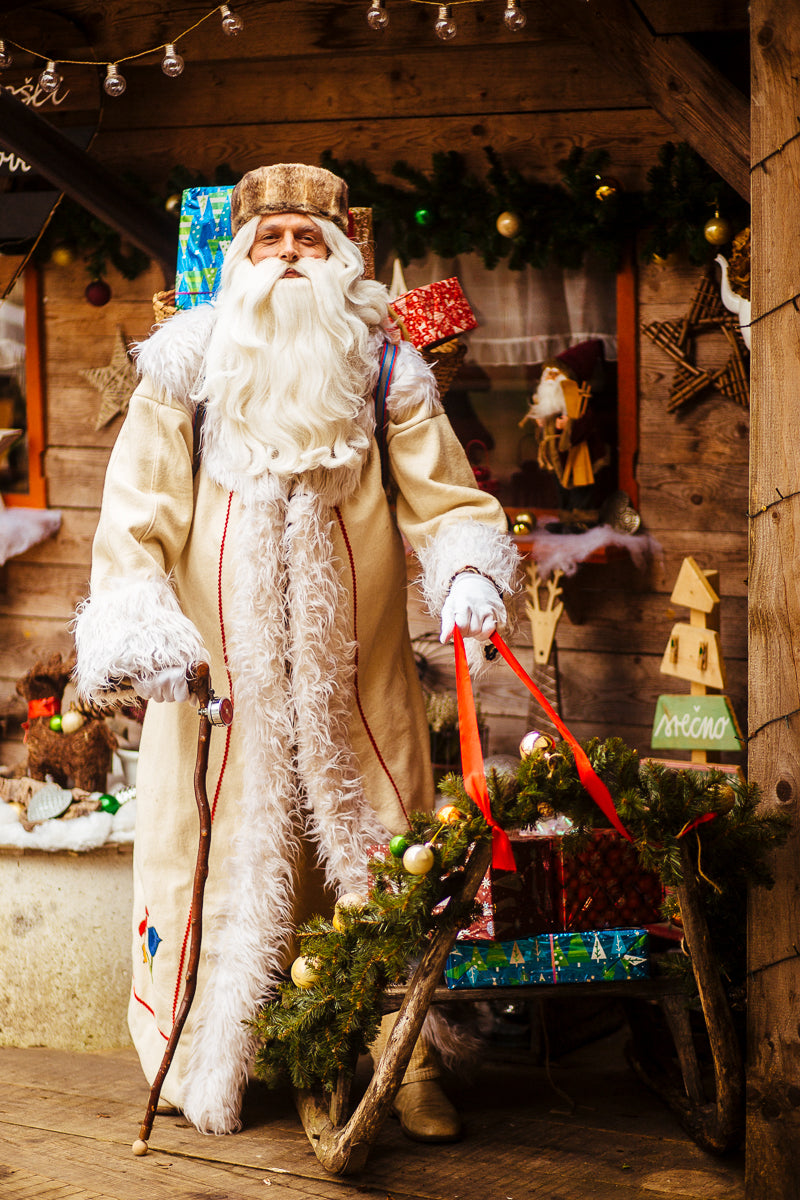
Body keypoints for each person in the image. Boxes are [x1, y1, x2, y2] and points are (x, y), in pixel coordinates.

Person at [73, 163, 518, 1141]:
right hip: (215, 695)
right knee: (216, 860)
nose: (285, 256)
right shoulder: (182, 371)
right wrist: (143, 628)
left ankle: (401, 1061)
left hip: (360, 685)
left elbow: (446, 501)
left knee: (385, 856)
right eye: (267, 240)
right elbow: (133, 524)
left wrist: (466, 574)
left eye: (306, 241)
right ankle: (214, 1056)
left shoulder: (386, 371)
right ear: (237, 259)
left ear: (342, 258)